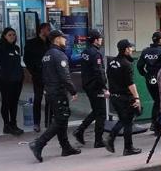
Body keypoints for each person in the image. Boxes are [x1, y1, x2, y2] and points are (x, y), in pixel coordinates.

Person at [28, 30, 81, 162]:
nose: (65, 40)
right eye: (63, 38)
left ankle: (65, 147)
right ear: (57, 39)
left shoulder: (47, 55)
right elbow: (65, 77)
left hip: (50, 91)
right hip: (58, 92)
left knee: (61, 118)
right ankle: (38, 143)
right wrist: (73, 91)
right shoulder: (59, 55)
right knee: (60, 120)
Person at [105, 39, 142, 156]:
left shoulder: (111, 62)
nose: (132, 50)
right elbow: (130, 83)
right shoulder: (126, 64)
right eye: (130, 48)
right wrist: (137, 98)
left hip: (114, 97)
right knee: (128, 123)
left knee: (123, 119)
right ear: (126, 49)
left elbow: (108, 78)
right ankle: (128, 148)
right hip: (125, 97)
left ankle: (111, 138)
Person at [73, 29, 108, 148]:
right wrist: (104, 87)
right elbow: (99, 72)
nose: (101, 40)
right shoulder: (95, 53)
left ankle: (80, 130)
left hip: (88, 85)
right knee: (101, 113)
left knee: (96, 111)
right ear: (95, 40)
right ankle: (98, 140)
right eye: (100, 38)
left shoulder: (85, 52)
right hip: (96, 86)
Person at [0, 27, 25, 136]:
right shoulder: (0, 49)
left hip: (17, 80)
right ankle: (6, 125)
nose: (12, 36)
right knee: (6, 102)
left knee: (14, 103)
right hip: (5, 81)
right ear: (4, 36)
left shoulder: (16, 48)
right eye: (9, 35)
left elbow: (17, 64)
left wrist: (21, 76)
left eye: (13, 34)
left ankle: (14, 124)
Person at [136, 32, 161, 134]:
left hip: (150, 80)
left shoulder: (146, 51)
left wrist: (146, 75)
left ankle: (155, 124)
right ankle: (158, 126)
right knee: (160, 102)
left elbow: (139, 66)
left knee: (157, 101)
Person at [24, 23, 51, 132]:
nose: (48, 31)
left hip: (50, 75)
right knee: (38, 98)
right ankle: (36, 123)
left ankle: (48, 122)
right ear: (41, 30)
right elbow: (27, 59)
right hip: (38, 74)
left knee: (50, 98)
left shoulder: (50, 43)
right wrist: (33, 72)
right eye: (47, 29)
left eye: (49, 29)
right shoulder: (32, 43)